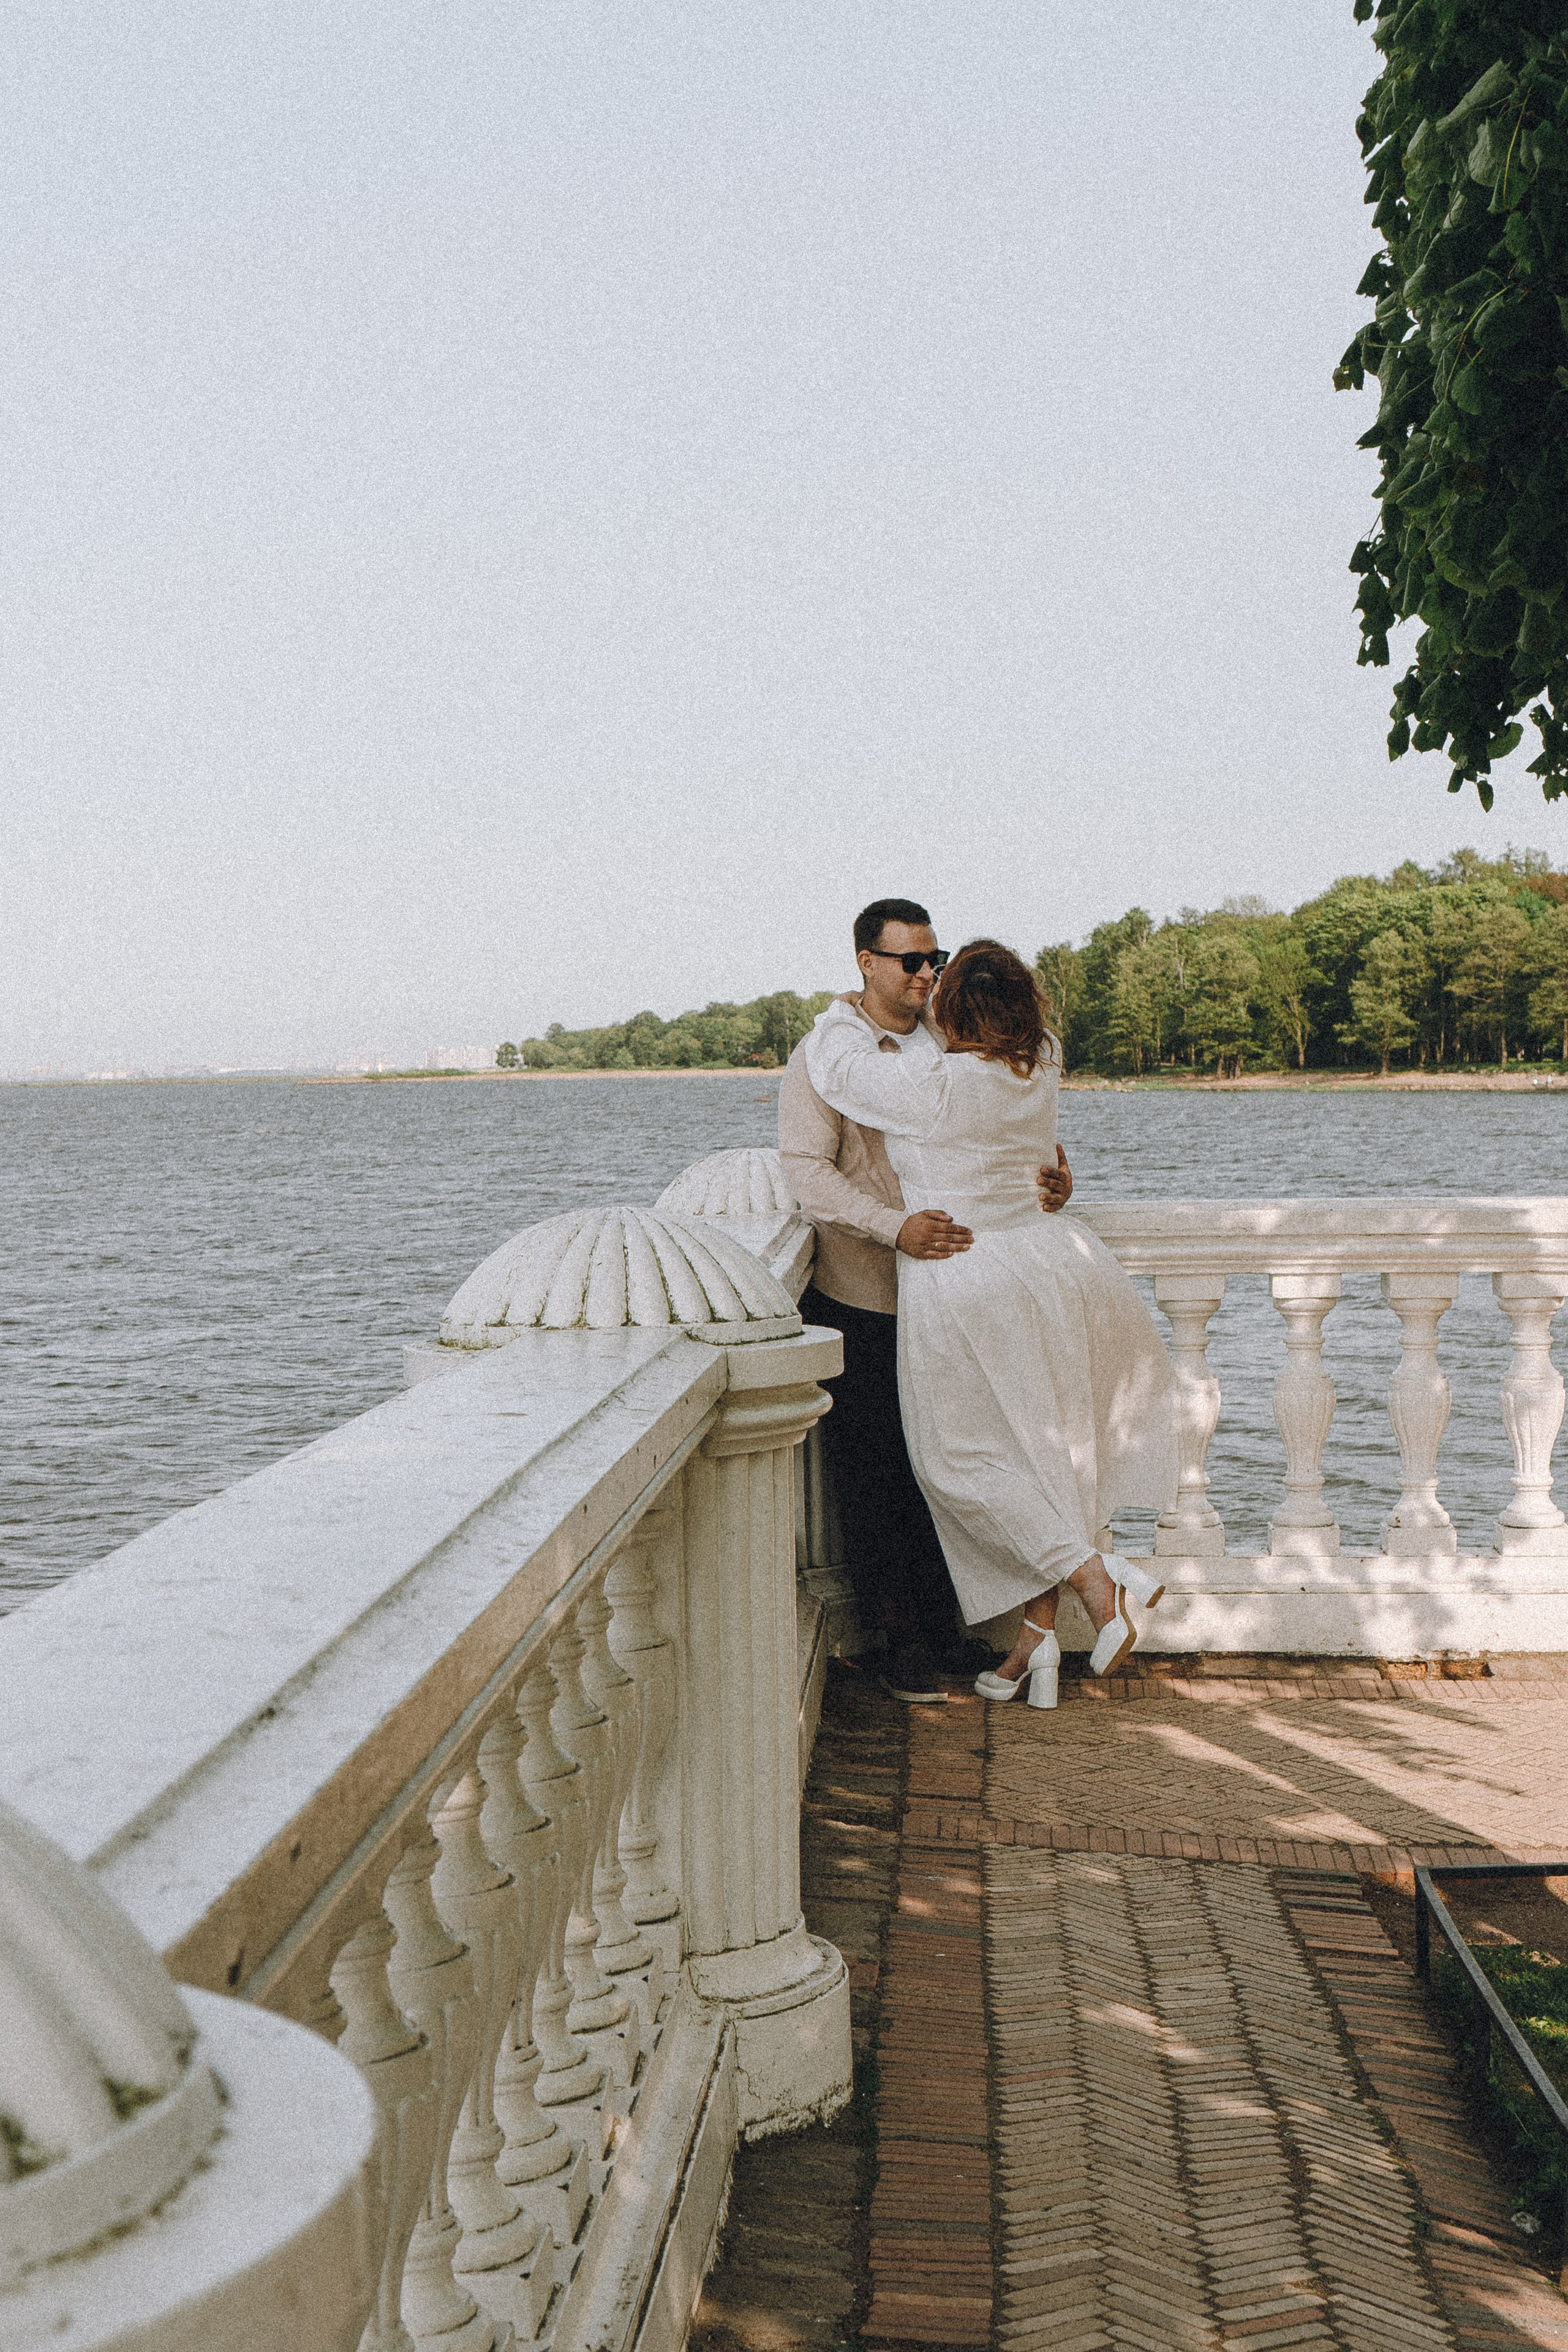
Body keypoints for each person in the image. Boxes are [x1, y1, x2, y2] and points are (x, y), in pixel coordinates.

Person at [801, 937, 1177, 1710]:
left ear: (948, 1006)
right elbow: (1033, 1147)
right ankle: (1034, 1646)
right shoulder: (1042, 1061)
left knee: (954, 1461)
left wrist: (842, 1007)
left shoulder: (932, 1081)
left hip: (963, 1276)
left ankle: (1091, 1578)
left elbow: (836, 1069)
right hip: (1050, 1266)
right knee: (1043, 1455)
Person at [778, 899, 1072, 1703]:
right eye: (909, 960)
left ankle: (948, 1627)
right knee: (880, 1475)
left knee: (958, 1464)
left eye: (933, 960)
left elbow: (1014, 1133)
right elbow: (807, 1173)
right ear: (865, 963)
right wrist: (893, 1227)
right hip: (869, 1289)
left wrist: (1054, 1177)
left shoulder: (957, 1039)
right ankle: (899, 1639)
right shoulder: (824, 1056)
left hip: (962, 1295)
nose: (924, 974)